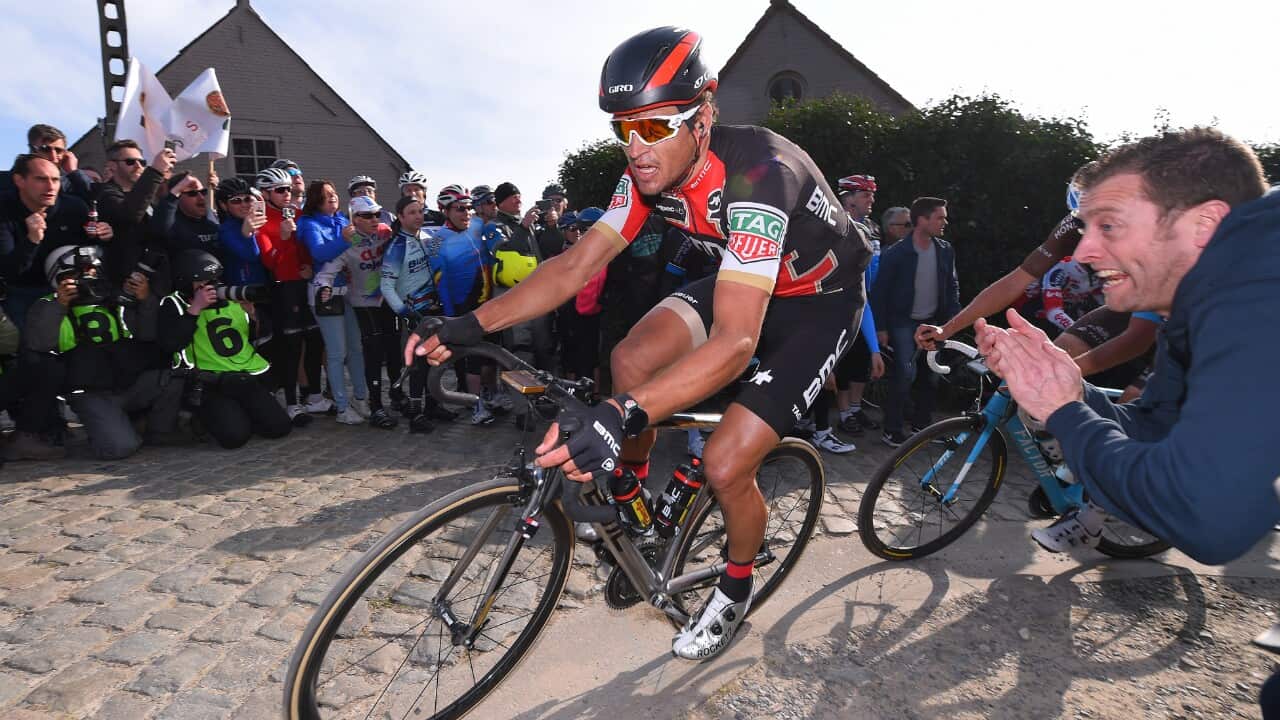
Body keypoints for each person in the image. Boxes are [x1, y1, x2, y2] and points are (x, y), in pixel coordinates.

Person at [409, 26, 870, 662]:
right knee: (628, 359)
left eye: (655, 127)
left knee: (727, 462)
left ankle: (734, 591)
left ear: (703, 116)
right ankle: (636, 503)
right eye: (623, 128)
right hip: (741, 277)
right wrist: (470, 325)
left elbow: (738, 340)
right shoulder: (645, 176)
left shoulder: (761, 172)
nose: (637, 147)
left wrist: (620, 414)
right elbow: (572, 269)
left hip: (818, 306)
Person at [24, 245, 172, 459]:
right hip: (90, 390)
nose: (88, 277)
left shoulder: (114, 299)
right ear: (59, 278)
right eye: (79, 274)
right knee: (120, 448)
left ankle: (153, 428)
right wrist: (61, 304)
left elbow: (147, 335)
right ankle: (112, 426)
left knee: (174, 375)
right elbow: (41, 344)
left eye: (92, 271)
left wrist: (145, 299)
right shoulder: (46, 305)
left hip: (127, 379)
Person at [158, 250, 291, 448]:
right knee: (235, 438)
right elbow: (171, 343)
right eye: (202, 282)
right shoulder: (174, 303)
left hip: (244, 378)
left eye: (213, 280)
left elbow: (261, 336)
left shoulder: (230, 297)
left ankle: (243, 413)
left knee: (279, 428)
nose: (210, 286)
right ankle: (204, 419)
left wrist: (252, 314)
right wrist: (195, 309)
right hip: (210, 381)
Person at [871, 197, 959, 446]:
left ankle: (922, 427)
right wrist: (881, 328)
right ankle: (893, 429)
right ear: (922, 220)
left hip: (933, 323)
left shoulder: (945, 250)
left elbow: (952, 287)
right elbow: (880, 292)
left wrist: (954, 321)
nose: (945, 222)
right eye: (940, 217)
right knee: (905, 375)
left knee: (930, 376)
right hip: (902, 323)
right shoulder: (896, 253)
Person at [316, 196, 400, 429]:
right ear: (354, 219)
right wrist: (324, 286)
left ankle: (397, 396)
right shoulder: (347, 240)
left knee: (393, 349)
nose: (374, 219)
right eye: (367, 215)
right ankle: (375, 406)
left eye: (376, 214)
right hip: (362, 303)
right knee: (371, 352)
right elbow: (327, 271)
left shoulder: (385, 231)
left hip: (386, 299)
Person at [254, 167, 325, 422]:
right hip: (282, 287)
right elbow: (271, 260)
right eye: (280, 190)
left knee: (315, 340)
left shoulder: (297, 213)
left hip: (304, 283)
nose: (287, 194)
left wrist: (308, 266)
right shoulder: (261, 220)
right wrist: (284, 237)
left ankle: (314, 396)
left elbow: (305, 248)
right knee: (291, 345)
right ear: (265, 193)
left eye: (289, 189)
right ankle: (292, 402)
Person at [381, 195, 455, 432]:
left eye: (421, 211)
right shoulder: (396, 246)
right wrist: (404, 311)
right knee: (419, 364)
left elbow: (440, 259)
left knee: (436, 360)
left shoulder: (427, 237)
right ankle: (415, 413)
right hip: (415, 313)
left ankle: (432, 405)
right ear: (400, 217)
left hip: (435, 310)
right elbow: (386, 286)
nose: (418, 216)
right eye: (412, 212)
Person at [298, 180, 368, 424]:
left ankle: (361, 398)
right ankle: (341, 408)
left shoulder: (342, 220)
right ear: (315, 201)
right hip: (324, 294)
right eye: (325, 195)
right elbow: (319, 253)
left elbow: (359, 250)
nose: (332, 198)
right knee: (337, 352)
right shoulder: (308, 223)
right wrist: (344, 239)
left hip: (348, 290)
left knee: (356, 348)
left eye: (333, 193)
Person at [432, 185, 499, 425]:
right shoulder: (439, 239)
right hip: (462, 307)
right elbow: (439, 279)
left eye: (470, 207)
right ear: (445, 211)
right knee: (472, 361)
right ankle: (476, 406)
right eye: (460, 208)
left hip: (487, 303)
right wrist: (451, 316)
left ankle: (490, 396)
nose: (467, 213)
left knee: (490, 356)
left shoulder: (476, 229)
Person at [833, 174, 885, 436]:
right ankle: (838, 416)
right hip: (836, 308)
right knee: (838, 367)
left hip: (862, 304)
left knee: (860, 361)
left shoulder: (872, 228)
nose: (872, 199)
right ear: (849, 200)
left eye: (872, 194)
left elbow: (868, 282)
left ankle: (852, 410)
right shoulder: (834, 226)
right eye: (866, 195)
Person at [94, 140, 173, 284]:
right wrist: (155, 171)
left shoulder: (146, 197)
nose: (138, 166)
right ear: (112, 166)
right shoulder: (105, 194)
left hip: (151, 278)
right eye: (130, 162)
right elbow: (129, 214)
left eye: (142, 162)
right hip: (123, 281)